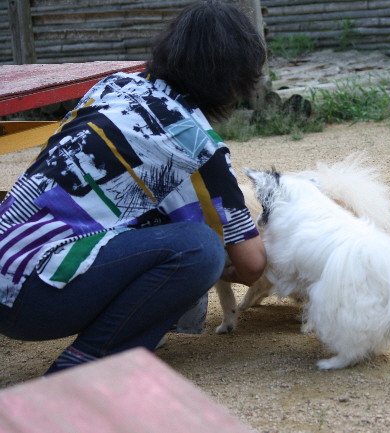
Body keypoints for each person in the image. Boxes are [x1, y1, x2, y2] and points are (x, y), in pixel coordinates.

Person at [0, 0, 267, 374]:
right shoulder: (199, 147)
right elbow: (252, 266)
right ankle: (83, 366)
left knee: (163, 224)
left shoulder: (112, 87)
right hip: (30, 298)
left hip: (9, 262)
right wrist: (222, 267)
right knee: (200, 249)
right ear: (233, 80)